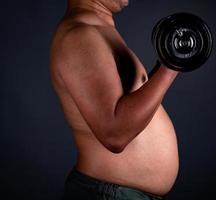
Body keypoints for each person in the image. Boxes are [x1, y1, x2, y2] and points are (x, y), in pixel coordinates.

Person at [49, 0, 179, 199]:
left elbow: (130, 103)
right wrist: (171, 67)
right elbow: (114, 134)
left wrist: (166, 62)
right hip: (110, 193)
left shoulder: (97, 30)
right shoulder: (80, 36)